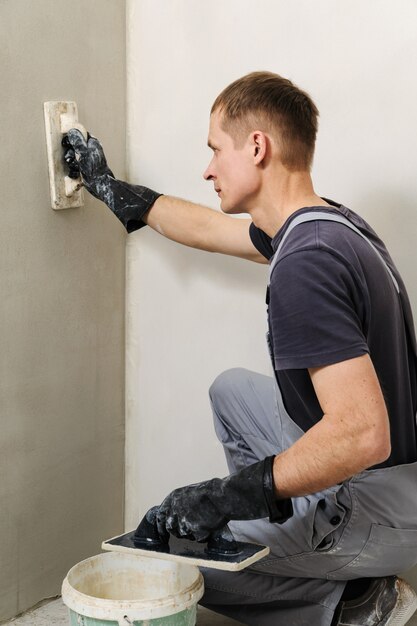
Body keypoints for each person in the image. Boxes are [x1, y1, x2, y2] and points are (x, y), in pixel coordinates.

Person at [65, 71, 417, 626]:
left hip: (380, 504)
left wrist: (230, 496)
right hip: (400, 481)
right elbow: (208, 229)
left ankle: (351, 602)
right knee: (232, 391)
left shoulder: (307, 262)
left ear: (257, 147)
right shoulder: (328, 226)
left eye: (214, 150)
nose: (206, 169)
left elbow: (363, 435)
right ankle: (299, 531)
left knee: (184, 559)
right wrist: (116, 190)